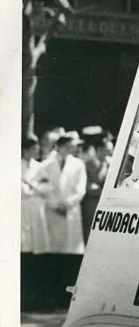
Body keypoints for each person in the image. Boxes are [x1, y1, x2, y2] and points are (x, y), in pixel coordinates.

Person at [39, 131, 87, 310]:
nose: (72, 149)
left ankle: (66, 299)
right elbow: (44, 188)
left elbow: (80, 190)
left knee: (71, 255)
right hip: (53, 214)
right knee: (53, 256)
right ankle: (51, 298)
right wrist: (54, 205)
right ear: (59, 147)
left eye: (73, 146)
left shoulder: (79, 165)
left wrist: (66, 204)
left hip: (70, 213)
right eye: (69, 146)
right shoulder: (46, 165)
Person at [22, 135, 50, 310]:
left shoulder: (39, 167)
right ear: (25, 150)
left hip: (37, 212)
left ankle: (35, 298)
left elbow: (47, 188)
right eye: (34, 147)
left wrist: (35, 188)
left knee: (37, 255)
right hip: (22, 212)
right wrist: (32, 189)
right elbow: (19, 191)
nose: (37, 150)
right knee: (23, 252)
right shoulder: (14, 165)